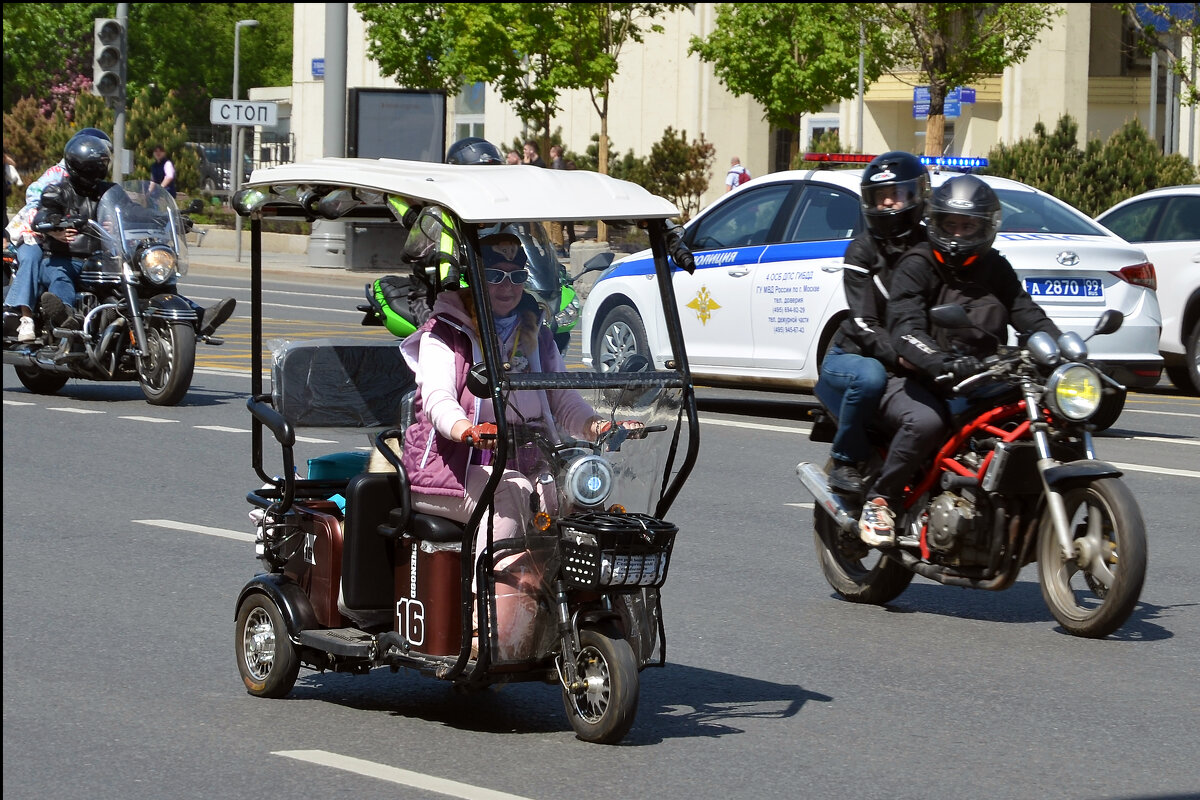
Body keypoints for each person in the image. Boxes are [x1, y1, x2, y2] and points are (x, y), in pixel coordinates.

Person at [399, 246, 641, 656]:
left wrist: (597, 425)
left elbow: (561, 399)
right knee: (507, 502)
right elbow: (439, 398)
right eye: (495, 275)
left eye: (516, 275)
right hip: (454, 467)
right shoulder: (447, 334)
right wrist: (467, 429)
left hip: (528, 460)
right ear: (474, 277)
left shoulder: (535, 332)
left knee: (582, 500)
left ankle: (583, 621)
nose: (507, 286)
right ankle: (485, 635)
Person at [859, 174, 1062, 546]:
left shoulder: (995, 267)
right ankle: (880, 500)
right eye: (950, 224)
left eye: (968, 225)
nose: (958, 233)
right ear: (934, 223)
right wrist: (940, 361)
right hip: (916, 376)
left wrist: (1062, 348)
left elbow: (1027, 314)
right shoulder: (916, 264)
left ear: (986, 227)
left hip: (981, 375)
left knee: (1043, 417)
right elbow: (905, 328)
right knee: (925, 423)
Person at [814, 151, 930, 497]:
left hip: (913, 350)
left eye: (897, 194)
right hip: (856, 355)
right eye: (882, 197)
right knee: (870, 377)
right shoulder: (862, 250)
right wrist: (904, 357)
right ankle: (846, 458)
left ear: (916, 196)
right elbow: (865, 322)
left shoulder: (929, 246)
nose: (890, 203)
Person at [547, 145, 577, 250]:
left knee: (557, 224)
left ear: (555, 153)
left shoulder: (557, 165)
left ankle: (560, 247)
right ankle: (570, 245)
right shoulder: (561, 163)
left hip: (561, 199)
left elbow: (556, 181)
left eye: (551, 151)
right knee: (568, 226)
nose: (549, 153)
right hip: (567, 199)